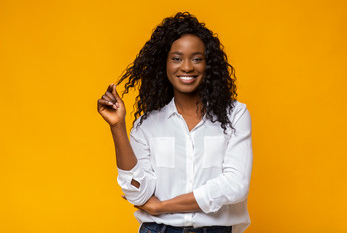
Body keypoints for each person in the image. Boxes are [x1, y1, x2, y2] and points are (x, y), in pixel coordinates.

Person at [97, 12, 253, 233]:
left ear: (209, 64)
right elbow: (139, 194)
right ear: (165, 64)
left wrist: (162, 206)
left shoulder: (235, 115)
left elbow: (235, 186)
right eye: (177, 58)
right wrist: (117, 126)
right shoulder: (147, 125)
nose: (187, 67)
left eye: (197, 58)